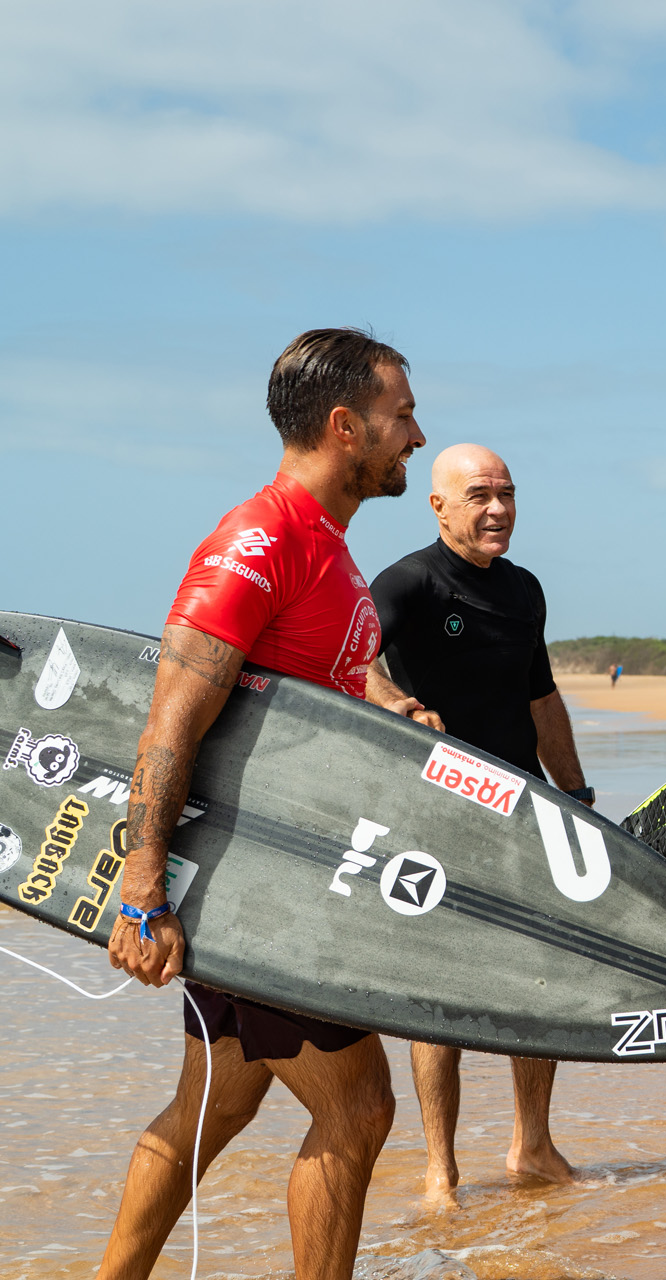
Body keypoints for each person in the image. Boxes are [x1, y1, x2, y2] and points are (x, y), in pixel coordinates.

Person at [97, 329, 425, 1280]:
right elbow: (169, 724)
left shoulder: (327, 546)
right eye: (399, 414)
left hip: (283, 872)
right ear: (344, 425)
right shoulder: (260, 540)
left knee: (219, 1101)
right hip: (259, 883)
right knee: (358, 1107)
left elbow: (313, 684)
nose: (412, 432)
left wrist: (395, 706)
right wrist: (142, 890)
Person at [365, 444, 592, 1204]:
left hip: (524, 812)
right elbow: (345, 658)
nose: (497, 508)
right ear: (439, 506)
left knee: (540, 981)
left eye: (506, 493)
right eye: (478, 495)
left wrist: (579, 795)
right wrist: (396, 703)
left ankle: (532, 1144)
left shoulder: (525, 590)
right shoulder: (409, 583)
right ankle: (440, 1169)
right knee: (441, 994)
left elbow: (542, 700)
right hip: (435, 814)